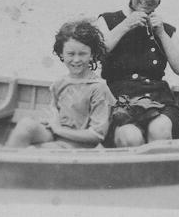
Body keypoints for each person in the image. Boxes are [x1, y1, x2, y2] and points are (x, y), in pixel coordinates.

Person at [96, 0, 179, 146]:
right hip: (119, 102)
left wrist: (162, 33)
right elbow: (96, 54)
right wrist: (126, 25)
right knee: (130, 137)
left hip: (159, 101)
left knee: (160, 130)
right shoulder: (109, 20)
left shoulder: (164, 28)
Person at [6, 20, 113, 148]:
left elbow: (97, 135)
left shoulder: (98, 88)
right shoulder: (60, 83)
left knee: (36, 150)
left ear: (92, 55)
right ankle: (3, 162)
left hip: (79, 143)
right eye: (71, 54)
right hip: (55, 135)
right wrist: (49, 122)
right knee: (25, 124)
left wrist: (59, 130)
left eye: (82, 54)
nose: (76, 60)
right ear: (62, 54)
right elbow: (53, 115)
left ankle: (13, 162)